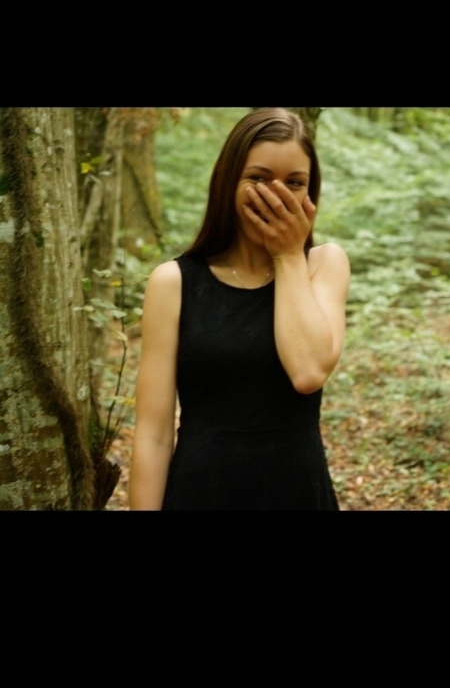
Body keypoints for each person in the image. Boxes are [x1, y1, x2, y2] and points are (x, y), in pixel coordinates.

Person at [128, 107, 351, 510]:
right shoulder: (173, 282)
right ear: (228, 181)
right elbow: (153, 435)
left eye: (294, 183)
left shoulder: (324, 264)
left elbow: (308, 372)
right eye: (259, 179)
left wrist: (287, 255)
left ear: (310, 193)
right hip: (200, 496)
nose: (276, 196)